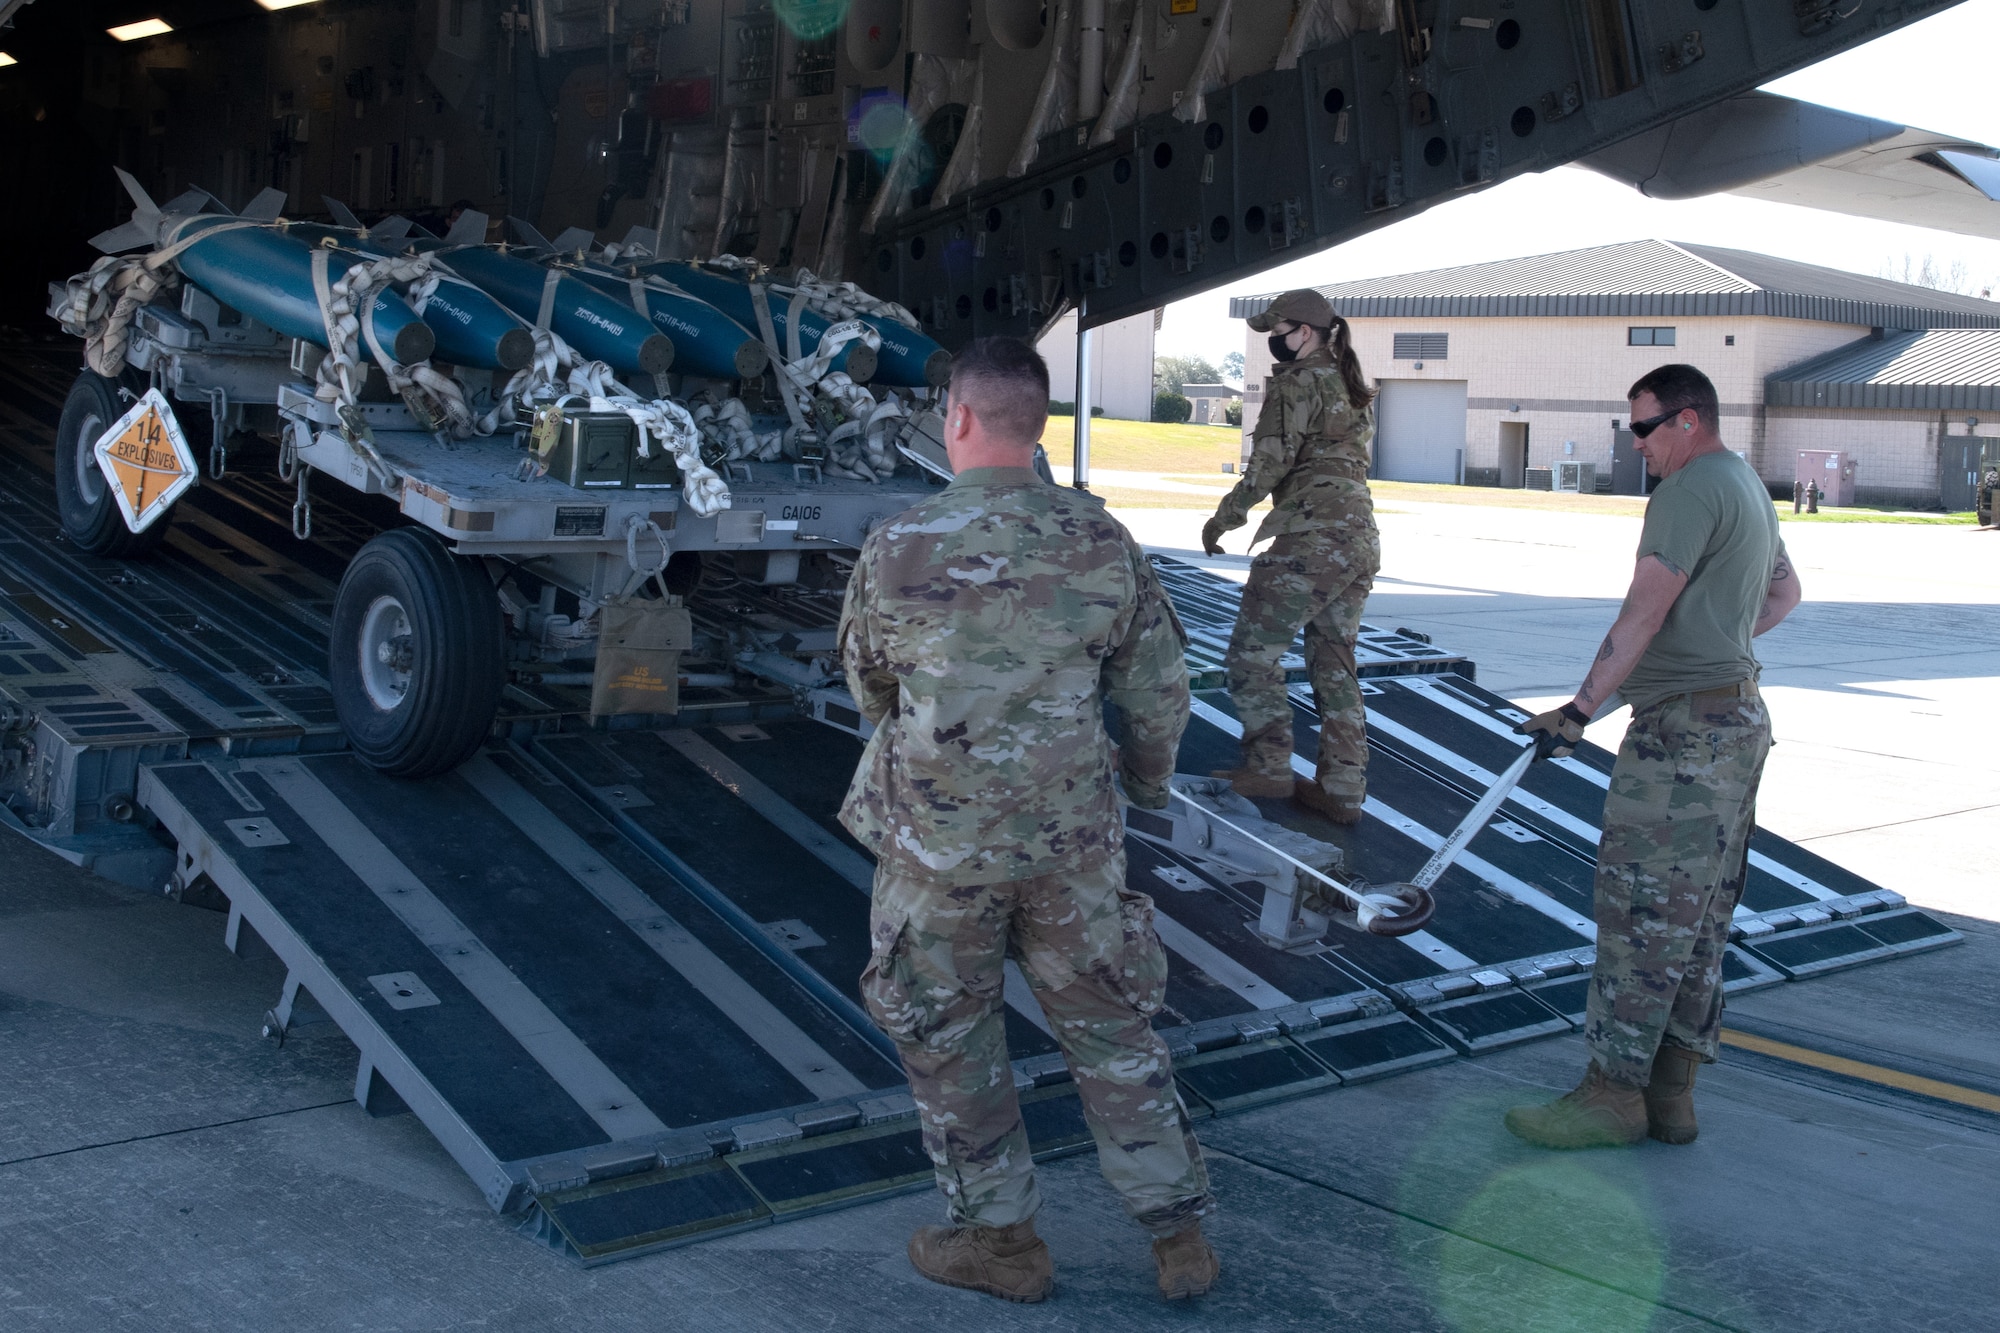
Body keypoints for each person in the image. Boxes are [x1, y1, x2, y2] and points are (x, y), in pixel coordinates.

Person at [837, 337, 1219, 1303]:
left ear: (956, 418)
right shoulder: (1102, 541)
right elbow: (1160, 691)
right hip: (1072, 845)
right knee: (1112, 1025)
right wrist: (1146, 786)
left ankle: (1002, 1245)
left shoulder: (900, 545)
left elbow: (870, 683)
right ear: (1036, 423)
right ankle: (1177, 1235)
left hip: (939, 854)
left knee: (950, 1035)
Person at [1506, 363, 1802, 1150]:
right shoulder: (1746, 487)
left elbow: (1645, 606)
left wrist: (1579, 708)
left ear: (1688, 422)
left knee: (1640, 916)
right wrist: (1716, 649)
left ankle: (1611, 1095)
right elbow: (1784, 595)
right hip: (1737, 718)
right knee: (1698, 917)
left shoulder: (1686, 491)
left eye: (1644, 428)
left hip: (1682, 736)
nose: (1635, 444)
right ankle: (1673, 1096)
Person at [1200, 289, 1379, 824]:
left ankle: (1270, 765)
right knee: (1334, 664)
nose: (1274, 341)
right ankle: (1343, 790)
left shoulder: (1297, 384)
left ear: (1304, 332)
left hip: (1312, 537)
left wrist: (1224, 517)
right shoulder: (1348, 386)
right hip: (1359, 538)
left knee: (1252, 654)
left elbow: (1269, 463)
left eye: (1279, 331)